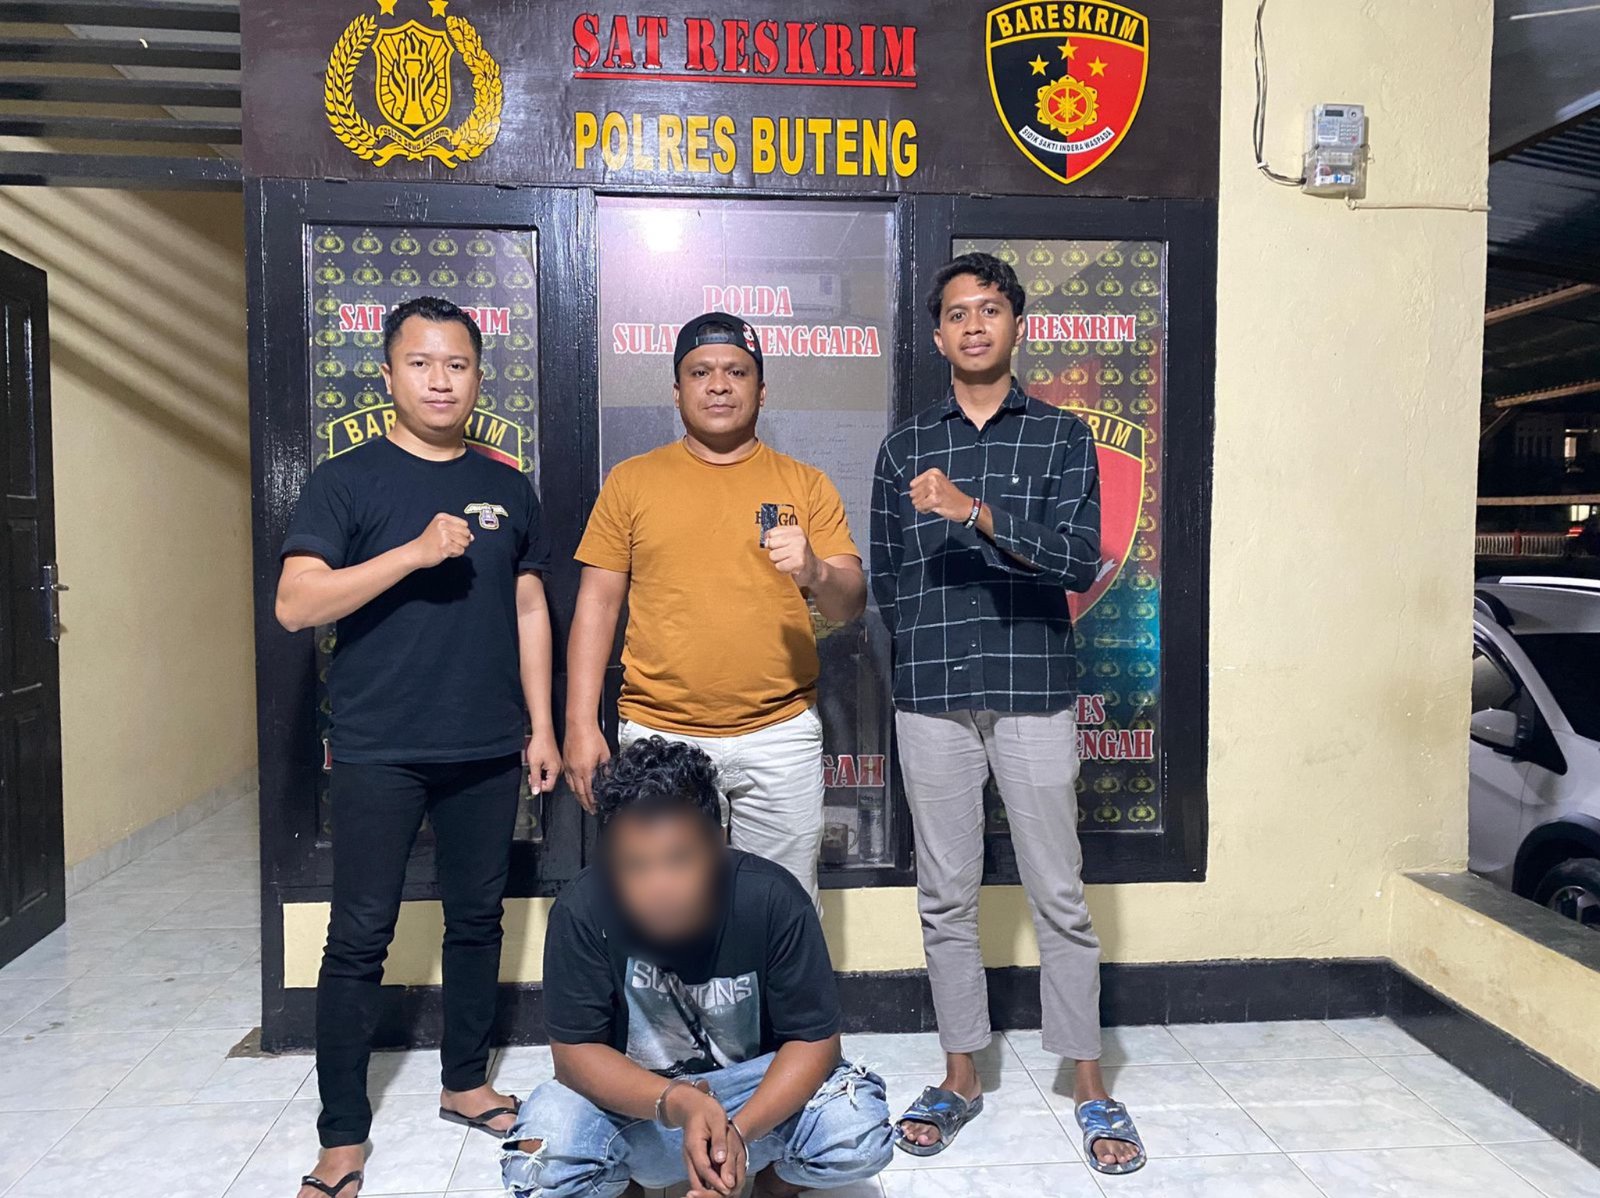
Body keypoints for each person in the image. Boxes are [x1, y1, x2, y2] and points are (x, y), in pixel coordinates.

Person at [275, 296, 562, 1198]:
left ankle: (465, 1083)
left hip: (488, 742)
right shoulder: (345, 480)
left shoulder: (509, 485)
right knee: (360, 935)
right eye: (421, 363)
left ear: (479, 376)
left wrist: (542, 725)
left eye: (458, 365)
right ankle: (341, 1138)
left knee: (478, 920)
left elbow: (527, 606)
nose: (441, 381)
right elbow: (296, 603)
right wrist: (410, 554)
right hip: (380, 746)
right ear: (390, 374)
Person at [869, 253, 1145, 1174]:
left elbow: (1076, 561)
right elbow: (888, 577)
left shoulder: (1062, 435)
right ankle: (960, 1077)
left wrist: (975, 512)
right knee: (945, 896)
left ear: (1016, 324)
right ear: (938, 334)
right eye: (958, 313)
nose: (974, 325)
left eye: (989, 309)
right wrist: (920, 648)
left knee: (1057, 892)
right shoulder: (905, 447)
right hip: (934, 697)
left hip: (1033, 691)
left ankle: (1089, 1083)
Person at [502, 736, 894, 1198]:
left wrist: (738, 1135)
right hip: (638, 1101)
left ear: (718, 845)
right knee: (539, 1164)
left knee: (857, 1132)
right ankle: (623, 1188)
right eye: (635, 865)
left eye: (680, 859)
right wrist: (678, 1102)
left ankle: (775, 1186)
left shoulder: (773, 900)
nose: (659, 887)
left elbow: (815, 1042)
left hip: (750, 1095)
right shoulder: (582, 909)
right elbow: (574, 1055)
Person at [563, 311, 866, 903]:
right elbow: (597, 604)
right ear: (677, 391)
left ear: (762, 390)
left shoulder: (806, 484)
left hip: (778, 733)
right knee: (661, 906)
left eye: (736, 371)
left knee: (780, 909)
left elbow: (851, 602)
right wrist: (579, 724)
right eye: (701, 372)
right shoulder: (631, 481)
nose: (719, 385)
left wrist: (816, 571)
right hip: (659, 732)